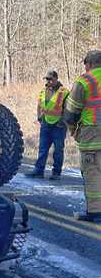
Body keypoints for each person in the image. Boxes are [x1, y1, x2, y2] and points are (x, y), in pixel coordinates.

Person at [62, 50, 101, 222]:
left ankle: (95, 212)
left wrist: (73, 129)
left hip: (93, 135)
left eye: (85, 63)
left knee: (93, 172)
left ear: (90, 64)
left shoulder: (85, 81)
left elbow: (71, 113)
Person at [25, 70, 69, 180]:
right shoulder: (43, 91)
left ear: (56, 79)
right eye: (47, 79)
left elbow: (68, 109)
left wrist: (63, 122)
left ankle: (56, 173)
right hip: (45, 124)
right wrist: (39, 117)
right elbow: (40, 106)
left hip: (59, 126)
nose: (48, 81)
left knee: (58, 150)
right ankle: (39, 171)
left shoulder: (64, 92)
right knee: (43, 149)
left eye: (50, 79)